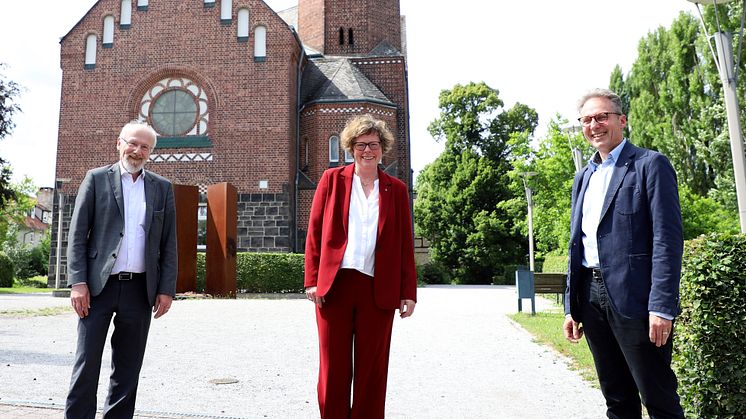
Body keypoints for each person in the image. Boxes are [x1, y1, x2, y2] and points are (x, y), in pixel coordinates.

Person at [563, 88, 684, 418]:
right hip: (591, 298)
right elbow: (578, 245)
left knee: (658, 398)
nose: (594, 125)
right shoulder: (583, 177)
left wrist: (661, 306)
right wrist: (571, 306)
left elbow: (667, 241)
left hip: (637, 300)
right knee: (617, 400)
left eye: (602, 116)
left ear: (622, 120)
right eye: (587, 119)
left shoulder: (650, 165)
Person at [304, 114, 417, 418]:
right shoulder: (332, 180)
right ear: (350, 147)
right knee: (334, 367)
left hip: (377, 289)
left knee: (372, 369)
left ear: (383, 148)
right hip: (335, 286)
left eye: (374, 144)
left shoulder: (396, 189)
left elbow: (405, 244)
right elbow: (315, 231)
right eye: (361, 144)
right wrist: (312, 280)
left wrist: (409, 292)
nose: (368, 150)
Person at [65, 120, 178, 419]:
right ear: (119, 143)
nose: (137, 150)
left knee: (128, 370)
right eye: (133, 143)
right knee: (87, 364)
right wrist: (78, 283)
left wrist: (166, 289)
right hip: (97, 289)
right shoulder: (96, 179)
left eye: (145, 147)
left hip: (139, 290)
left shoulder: (162, 188)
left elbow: (168, 243)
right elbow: (77, 236)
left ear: (151, 152)